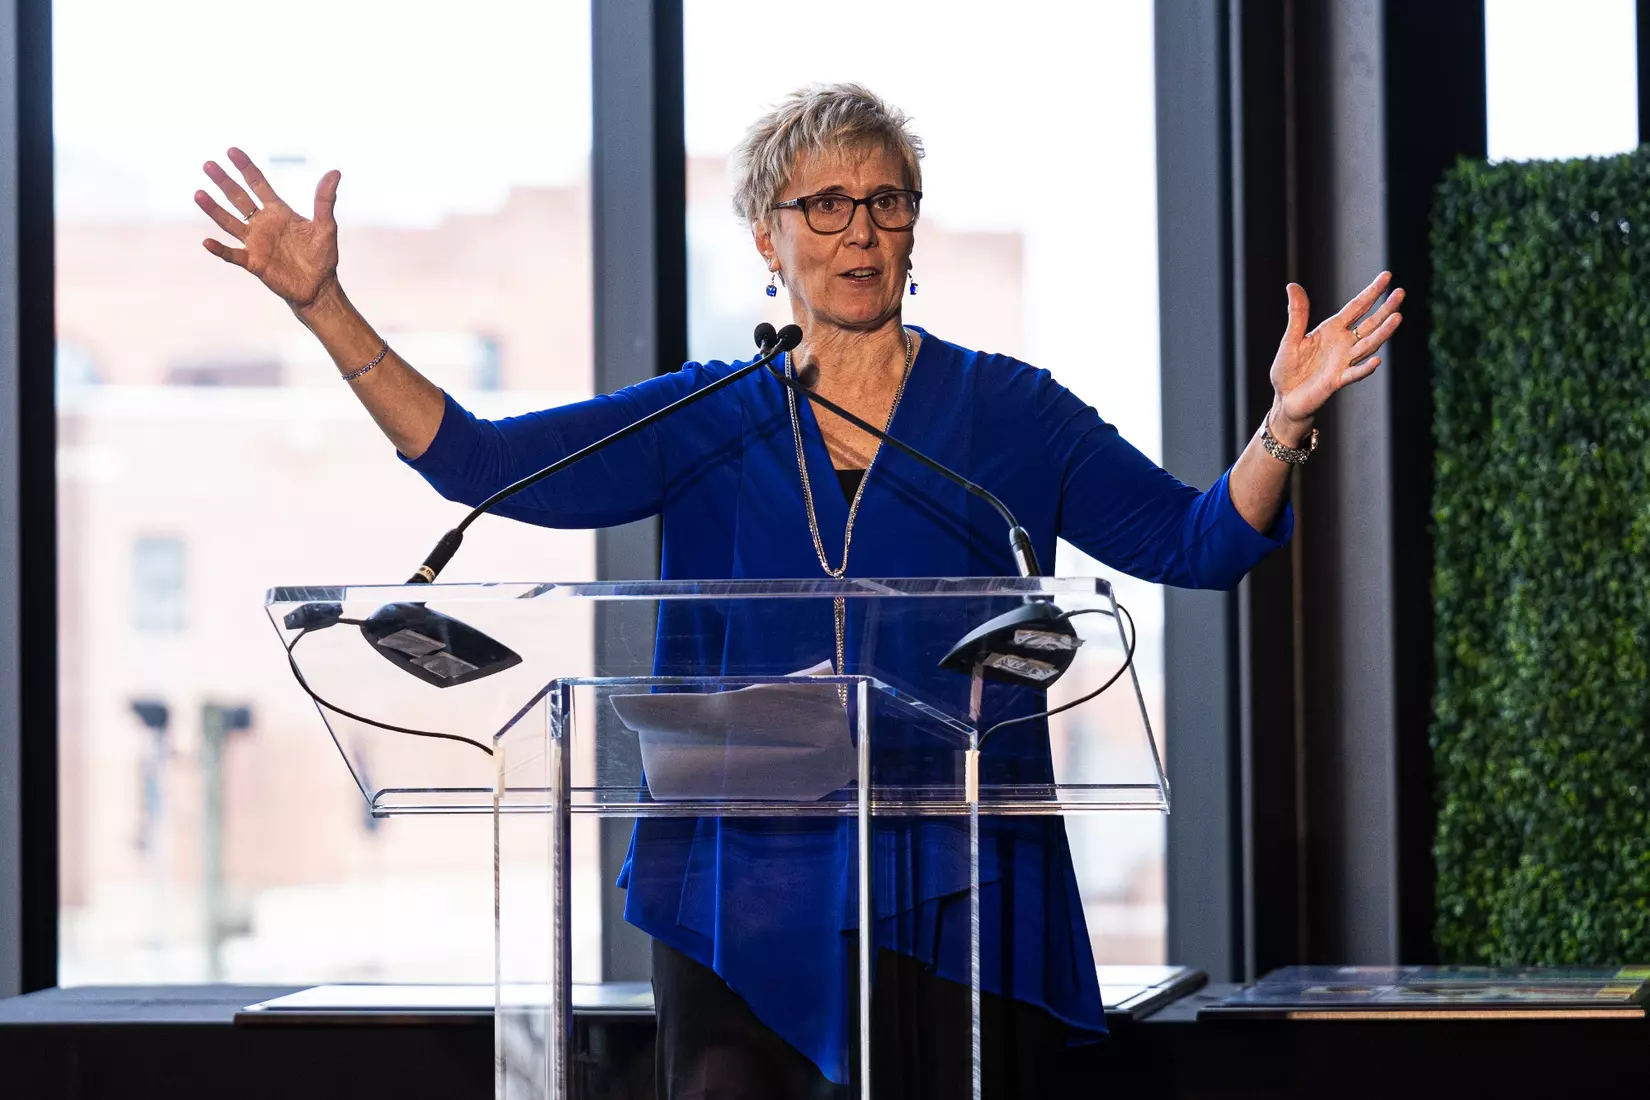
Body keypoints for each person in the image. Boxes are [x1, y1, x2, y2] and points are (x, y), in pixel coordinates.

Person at [195, 82, 1401, 1099]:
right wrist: (322, 305)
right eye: (825, 204)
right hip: (744, 891)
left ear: (914, 231)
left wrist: (1282, 424)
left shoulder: (1010, 412)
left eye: (885, 201)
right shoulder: (703, 415)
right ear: (769, 239)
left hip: (957, 886)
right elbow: (478, 460)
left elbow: (1200, 542)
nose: (859, 230)